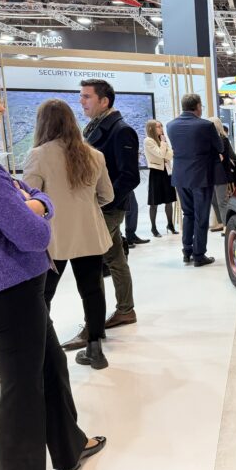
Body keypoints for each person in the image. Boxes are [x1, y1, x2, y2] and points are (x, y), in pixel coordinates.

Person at [0, 76, 106, 470]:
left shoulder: (22, 161)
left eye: (0, 98)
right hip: (9, 289)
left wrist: (36, 199)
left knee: (51, 365)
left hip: (21, 286)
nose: (0, 108)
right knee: (23, 387)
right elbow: (31, 231)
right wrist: (37, 207)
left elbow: (32, 198)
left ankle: (69, 445)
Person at [23, 99, 114, 367]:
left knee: (43, 295)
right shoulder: (95, 155)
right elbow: (107, 195)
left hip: (53, 239)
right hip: (89, 235)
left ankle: (41, 353)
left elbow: (30, 202)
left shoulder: (38, 155)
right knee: (93, 291)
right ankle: (95, 348)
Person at [78, 79, 139, 340]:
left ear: (105, 101)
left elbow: (129, 176)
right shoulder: (95, 127)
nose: (82, 101)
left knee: (92, 263)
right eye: (81, 96)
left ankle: (93, 324)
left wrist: (105, 202)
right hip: (98, 206)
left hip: (107, 208)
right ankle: (125, 310)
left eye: (87, 97)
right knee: (114, 258)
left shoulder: (121, 130)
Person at [167, 94, 222, 267]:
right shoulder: (206, 125)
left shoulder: (170, 125)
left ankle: (187, 251)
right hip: (201, 177)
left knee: (188, 214)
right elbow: (219, 147)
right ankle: (199, 255)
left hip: (180, 177)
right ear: (197, 106)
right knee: (201, 217)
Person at [144, 119, 177, 238]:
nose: (161, 128)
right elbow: (161, 154)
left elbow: (170, 155)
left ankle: (170, 225)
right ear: (151, 128)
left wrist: (164, 146)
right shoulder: (148, 141)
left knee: (169, 200)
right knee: (154, 202)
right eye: (158, 127)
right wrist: (163, 144)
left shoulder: (163, 140)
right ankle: (153, 228)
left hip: (167, 172)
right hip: (156, 173)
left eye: (161, 126)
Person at [210, 116, 236, 233]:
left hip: (221, 173)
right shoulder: (212, 141)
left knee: (221, 200)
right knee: (214, 200)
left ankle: (226, 225)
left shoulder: (223, 140)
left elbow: (229, 156)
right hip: (212, 174)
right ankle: (221, 222)